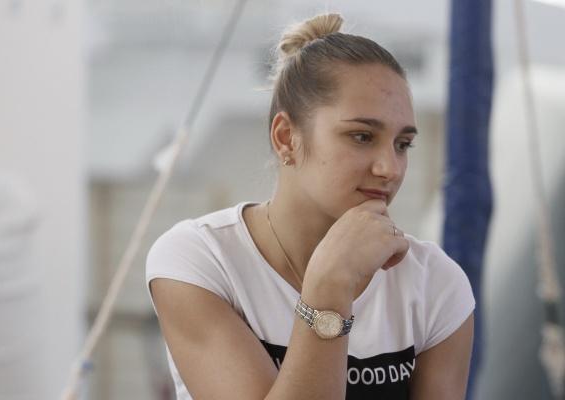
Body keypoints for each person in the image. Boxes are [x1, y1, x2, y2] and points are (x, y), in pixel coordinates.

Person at [146, 13, 475, 400]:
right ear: (286, 138)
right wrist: (329, 286)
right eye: (362, 136)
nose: (390, 168)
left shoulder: (436, 285)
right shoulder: (201, 260)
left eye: (402, 144)